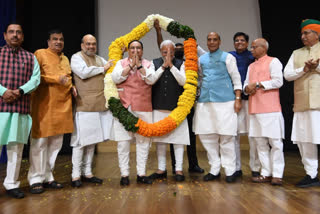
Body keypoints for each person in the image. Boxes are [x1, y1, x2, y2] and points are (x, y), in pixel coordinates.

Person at [28, 29, 77, 194]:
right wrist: (55, 79)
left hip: (62, 105)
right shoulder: (40, 54)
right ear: (48, 42)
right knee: (40, 143)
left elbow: (68, 77)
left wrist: (72, 86)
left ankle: (48, 176)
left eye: (61, 39)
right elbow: (35, 77)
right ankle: (35, 178)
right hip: (44, 105)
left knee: (56, 143)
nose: (58, 42)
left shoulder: (65, 58)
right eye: (55, 39)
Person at [154, 19, 204, 174]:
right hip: (169, 105)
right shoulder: (163, 61)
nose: (173, 52)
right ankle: (176, 167)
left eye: (178, 49)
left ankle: (192, 164)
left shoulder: (187, 62)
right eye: (169, 50)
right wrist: (158, 31)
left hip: (186, 104)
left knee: (188, 136)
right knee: (171, 137)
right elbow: (162, 46)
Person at [194, 32, 242, 183]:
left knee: (226, 136)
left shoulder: (228, 57)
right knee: (206, 135)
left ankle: (230, 170)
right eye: (209, 40)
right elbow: (200, 78)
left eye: (215, 39)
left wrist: (238, 99)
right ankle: (214, 169)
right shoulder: (201, 59)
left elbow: (236, 78)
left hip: (226, 101)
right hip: (205, 102)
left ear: (220, 41)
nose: (212, 42)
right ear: (206, 42)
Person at [0, 22, 40, 199]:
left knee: (15, 150)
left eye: (18, 32)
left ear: (22, 36)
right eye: (11, 32)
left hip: (20, 109)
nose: (15, 35)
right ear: (5, 35)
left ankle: (12, 184)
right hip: (0, 108)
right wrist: (3, 92)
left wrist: (19, 91)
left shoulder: (30, 57)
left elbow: (36, 79)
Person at [70, 34, 114, 187]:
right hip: (84, 105)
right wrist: (103, 68)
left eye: (93, 44)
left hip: (99, 104)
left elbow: (110, 69)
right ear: (82, 45)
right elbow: (83, 72)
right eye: (88, 44)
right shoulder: (76, 57)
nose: (91, 47)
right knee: (80, 142)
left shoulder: (99, 58)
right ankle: (75, 175)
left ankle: (87, 172)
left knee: (92, 141)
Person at [111, 40, 154, 186]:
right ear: (128, 50)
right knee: (123, 143)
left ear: (142, 50)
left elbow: (151, 80)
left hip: (143, 106)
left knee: (143, 142)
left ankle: (141, 173)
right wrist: (130, 66)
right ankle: (124, 174)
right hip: (125, 106)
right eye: (132, 48)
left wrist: (140, 66)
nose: (135, 51)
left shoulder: (149, 64)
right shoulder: (120, 63)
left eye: (138, 48)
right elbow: (115, 78)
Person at [284, 19, 320, 188]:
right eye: (302, 33)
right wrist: (304, 69)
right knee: (304, 140)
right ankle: (311, 174)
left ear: (317, 34)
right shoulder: (296, 53)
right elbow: (287, 75)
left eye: (307, 33)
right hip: (302, 103)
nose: (303, 36)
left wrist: (317, 67)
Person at [244, 38, 285, 185]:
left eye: (254, 47)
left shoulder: (273, 61)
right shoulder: (251, 66)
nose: (252, 50)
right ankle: (266, 173)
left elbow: (278, 81)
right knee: (260, 143)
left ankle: (278, 174)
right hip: (254, 108)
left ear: (263, 48)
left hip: (270, 109)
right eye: (252, 47)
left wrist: (259, 84)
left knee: (275, 143)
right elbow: (246, 84)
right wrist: (246, 88)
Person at [148, 40, 188, 182]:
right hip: (159, 106)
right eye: (165, 52)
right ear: (161, 52)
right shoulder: (154, 63)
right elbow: (150, 80)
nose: (168, 54)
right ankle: (161, 169)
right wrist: (162, 67)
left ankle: (178, 169)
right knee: (160, 140)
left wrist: (171, 66)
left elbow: (183, 81)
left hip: (177, 108)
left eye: (171, 52)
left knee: (179, 140)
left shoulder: (180, 63)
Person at [229, 32, 260, 178]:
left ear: (247, 43)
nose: (239, 42)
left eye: (242, 40)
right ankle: (236, 168)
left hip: (252, 99)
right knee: (233, 135)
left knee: (253, 135)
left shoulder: (254, 56)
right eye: (236, 40)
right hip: (234, 99)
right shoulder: (229, 56)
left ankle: (255, 167)